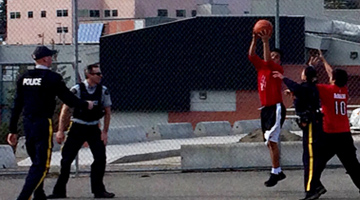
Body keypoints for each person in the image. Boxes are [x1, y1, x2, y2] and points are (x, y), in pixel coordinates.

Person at [7, 46, 93, 200]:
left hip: (27, 123)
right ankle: (23, 197)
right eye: (50, 57)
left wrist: (12, 129)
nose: (52, 60)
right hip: (42, 123)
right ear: (44, 59)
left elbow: (17, 104)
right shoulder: (52, 78)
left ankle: (39, 194)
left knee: (35, 160)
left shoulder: (24, 78)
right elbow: (68, 98)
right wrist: (86, 104)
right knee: (41, 165)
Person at [47, 64, 114, 199]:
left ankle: (99, 190)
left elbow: (107, 112)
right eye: (97, 74)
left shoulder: (103, 91)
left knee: (100, 158)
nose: (101, 76)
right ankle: (59, 191)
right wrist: (60, 131)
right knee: (66, 160)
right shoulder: (77, 90)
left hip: (94, 127)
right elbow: (65, 110)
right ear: (89, 75)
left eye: (100, 74)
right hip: (78, 127)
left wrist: (104, 132)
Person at [273, 63, 326, 200]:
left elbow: (297, 87)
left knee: (309, 159)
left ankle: (311, 190)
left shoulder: (306, 88)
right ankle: (316, 186)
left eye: (303, 72)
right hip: (314, 123)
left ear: (306, 76)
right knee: (309, 158)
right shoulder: (310, 88)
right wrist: (293, 93)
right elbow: (300, 92)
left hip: (311, 125)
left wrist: (283, 78)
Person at [313, 50, 360, 197]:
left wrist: (312, 66)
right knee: (352, 165)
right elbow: (331, 73)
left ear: (332, 80)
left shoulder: (326, 90)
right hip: (345, 134)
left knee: (317, 162)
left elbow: (308, 84)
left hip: (330, 134)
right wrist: (324, 60)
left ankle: (315, 186)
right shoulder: (343, 90)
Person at [248, 29, 286, 187]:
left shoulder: (277, 70)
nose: (274, 57)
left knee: (272, 140)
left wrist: (265, 42)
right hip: (265, 109)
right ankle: (278, 171)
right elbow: (251, 55)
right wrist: (254, 39)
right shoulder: (261, 68)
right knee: (270, 142)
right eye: (272, 55)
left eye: (277, 57)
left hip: (276, 108)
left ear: (280, 61)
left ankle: (275, 172)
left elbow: (268, 61)